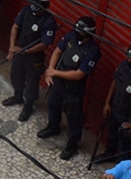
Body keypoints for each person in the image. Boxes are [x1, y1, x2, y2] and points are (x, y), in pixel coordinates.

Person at [38, 16, 102, 161]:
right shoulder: (71, 36)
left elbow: (79, 74)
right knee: (53, 105)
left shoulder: (92, 51)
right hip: (59, 83)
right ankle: (53, 127)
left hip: (74, 89)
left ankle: (72, 143)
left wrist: (55, 72)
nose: (77, 33)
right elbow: (57, 52)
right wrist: (50, 71)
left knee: (74, 117)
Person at [3, 0, 57, 122]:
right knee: (16, 76)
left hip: (34, 58)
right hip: (20, 53)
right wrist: (11, 47)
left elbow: (44, 44)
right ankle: (17, 96)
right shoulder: (26, 11)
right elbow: (15, 27)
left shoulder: (49, 22)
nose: (34, 7)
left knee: (32, 84)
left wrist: (26, 51)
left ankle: (28, 107)